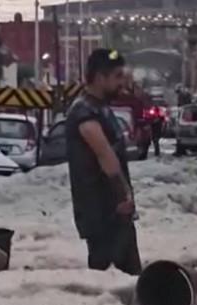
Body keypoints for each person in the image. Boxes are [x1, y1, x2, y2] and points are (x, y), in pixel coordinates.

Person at [65, 49, 142, 276]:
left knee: (127, 278)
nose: (122, 83)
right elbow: (105, 156)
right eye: (117, 76)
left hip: (115, 214)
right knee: (112, 281)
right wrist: (122, 195)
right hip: (103, 215)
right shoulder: (84, 113)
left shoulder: (100, 109)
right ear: (100, 77)